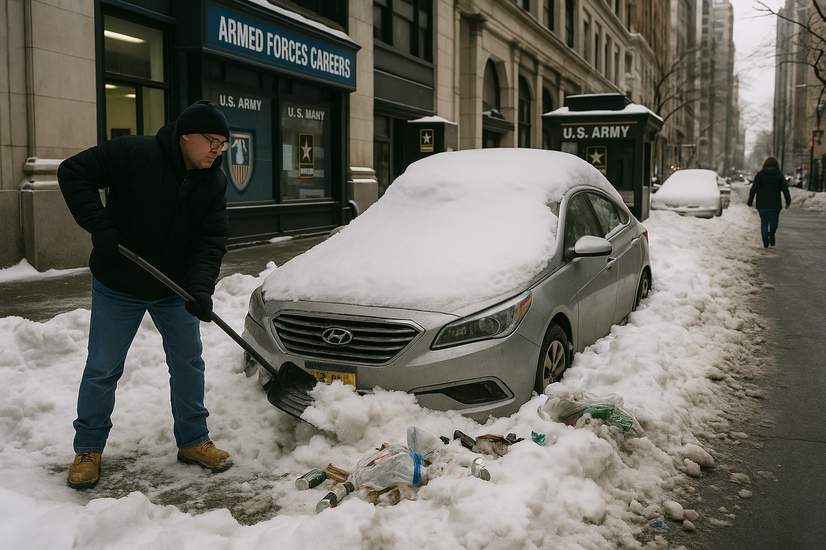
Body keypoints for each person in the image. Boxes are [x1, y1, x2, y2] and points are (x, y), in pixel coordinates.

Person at [58, 100, 233, 489]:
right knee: (103, 367)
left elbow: (211, 239)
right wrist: (99, 225)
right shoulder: (134, 154)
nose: (218, 151)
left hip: (173, 289)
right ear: (187, 137)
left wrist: (200, 289)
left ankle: (193, 440)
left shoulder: (213, 180)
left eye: (223, 144)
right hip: (119, 283)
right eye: (212, 142)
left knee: (189, 362)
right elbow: (73, 172)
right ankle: (88, 449)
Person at [748, 157, 792, 248]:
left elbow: (753, 189)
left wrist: (750, 201)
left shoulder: (760, 175)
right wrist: (788, 201)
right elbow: (785, 189)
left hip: (762, 204)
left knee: (764, 222)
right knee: (774, 222)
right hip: (775, 205)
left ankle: (765, 240)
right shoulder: (779, 175)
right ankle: (771, 234)